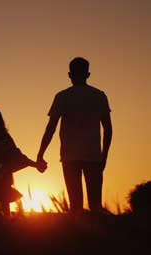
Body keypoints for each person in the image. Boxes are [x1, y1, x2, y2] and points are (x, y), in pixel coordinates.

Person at [36, 57, 113, 216]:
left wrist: (40, 154)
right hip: (93, 156)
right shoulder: (99, 96)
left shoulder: (62, 97)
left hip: (70, 157)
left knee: (75, 206)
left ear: (69, 74)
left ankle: (77, 237)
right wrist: (103, 155)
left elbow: (50, 128)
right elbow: (108, 129)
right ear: (88, 74)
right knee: (95, 205)